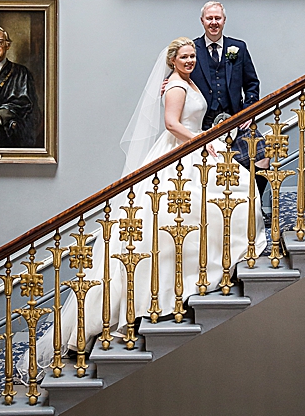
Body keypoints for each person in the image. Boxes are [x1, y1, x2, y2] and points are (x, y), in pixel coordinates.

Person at [27, 38, 266, 370]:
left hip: (195, 145)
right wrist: (202, 140)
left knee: (221, 200)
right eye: (183, 56)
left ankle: (195, 274)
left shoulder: (187, 82)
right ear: (171, 60)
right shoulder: (176, 88)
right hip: (179, 151)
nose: (189, 60)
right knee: (170, 221)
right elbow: (172, 124)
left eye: (192, 56)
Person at [190, 1, 269, 191]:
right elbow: (180, 73)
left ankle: (253, 206)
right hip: (204, 124)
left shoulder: (238, 47)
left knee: (263, 159)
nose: (214, 22)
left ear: (224, 21)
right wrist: (169, 83)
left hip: (236, 119)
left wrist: (249, 113)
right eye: (210, 18)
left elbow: (252, 83)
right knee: (213, 170)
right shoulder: (192, 48)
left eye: (218, 18)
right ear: (202, 21)